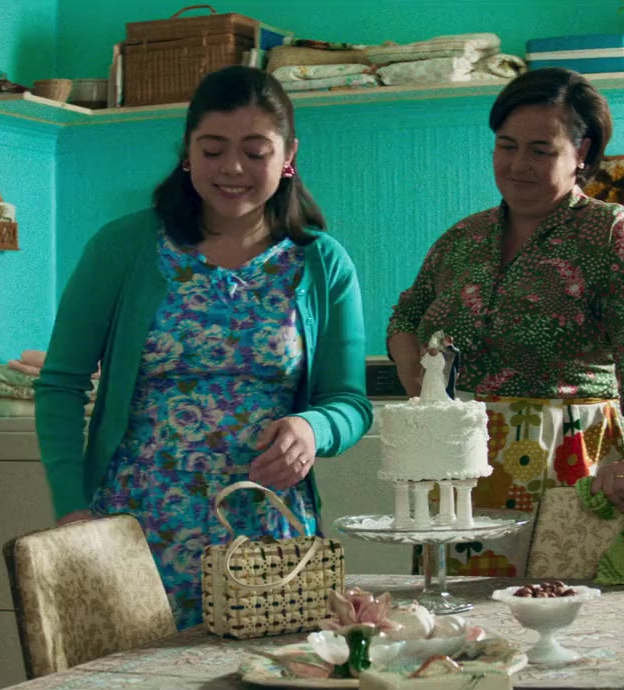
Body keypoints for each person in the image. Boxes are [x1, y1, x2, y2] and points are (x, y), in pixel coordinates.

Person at [35, 66, 372, 629]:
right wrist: (72, 506)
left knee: (267, 667)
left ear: (289, 155)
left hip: (267, 531)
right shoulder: (124, 247)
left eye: (255, 152)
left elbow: (350, 403)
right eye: (213, 150)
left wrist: (313, 428)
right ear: (187, 153)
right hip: (135, 523)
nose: (232, 168)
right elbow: (61, 384)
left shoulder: (321, 261)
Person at [387, 67, 624, 576]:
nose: (517, 164)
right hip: (461, 469)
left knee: (559, 608)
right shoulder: (462, 238)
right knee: (457, 611)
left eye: (540, 150)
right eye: (506, 146)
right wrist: (420, 382)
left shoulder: (609, 232)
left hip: (569, 461)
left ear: (582, 152)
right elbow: (406, 316)